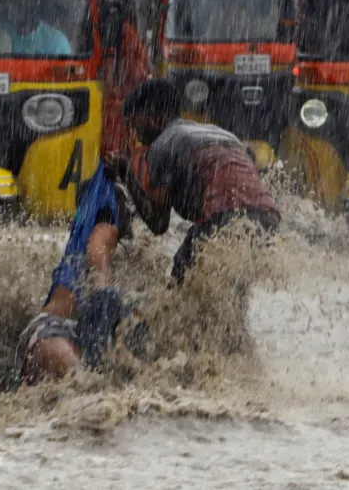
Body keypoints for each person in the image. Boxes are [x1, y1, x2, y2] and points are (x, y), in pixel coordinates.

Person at [113, 79, 280, 285]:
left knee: (181, 283)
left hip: (224, 217)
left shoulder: (163, 144)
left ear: (155, 118)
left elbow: (158, 223)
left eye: (134, 125)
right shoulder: (220, 133)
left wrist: (125, 173)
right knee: (230, 290)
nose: (134, 135)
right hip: (268, 219)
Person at [14, 163, 141, 384]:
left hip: (44, 334)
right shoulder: (107, 218)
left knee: (85, 386)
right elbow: (97, 256)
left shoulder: (85, 217)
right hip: (54, 332)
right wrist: (103, 291)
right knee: (89, 386)